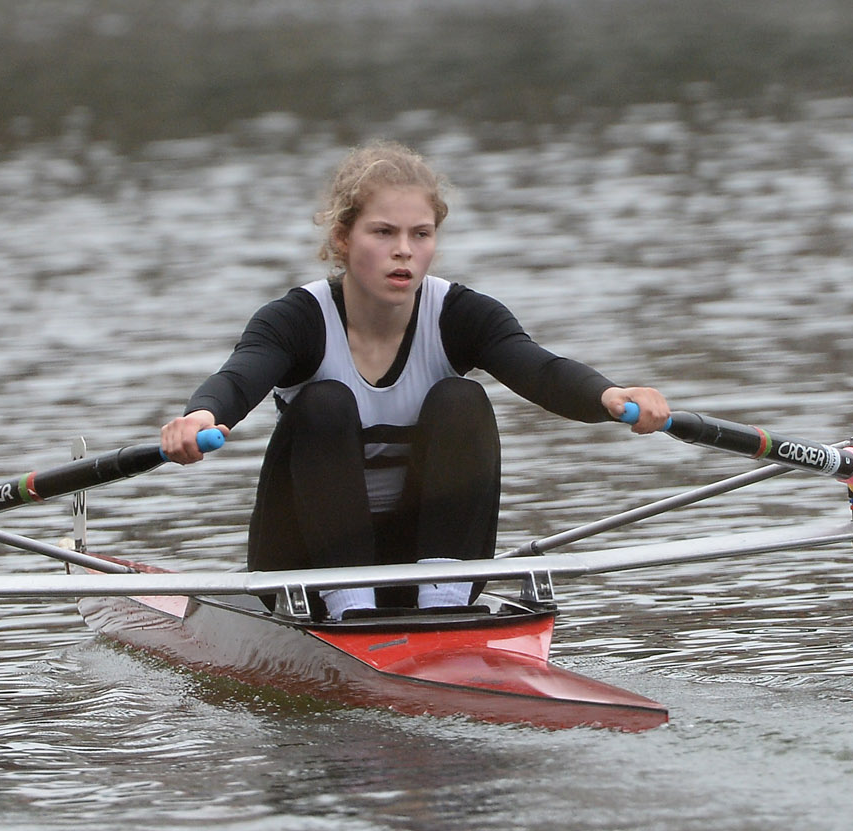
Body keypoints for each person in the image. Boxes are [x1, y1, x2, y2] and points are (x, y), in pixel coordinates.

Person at [160, 142, 671, 620]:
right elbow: (238, 378)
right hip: (304, 567)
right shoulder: (296, 320)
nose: (403, 250)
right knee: (325, 403)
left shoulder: (460, 314)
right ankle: (351, 607)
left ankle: (442, 606)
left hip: (422, 561)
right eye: (383, 232)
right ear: (343, 237)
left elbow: (539, 368)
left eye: (420, 234)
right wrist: (201, 416)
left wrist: (610, 394)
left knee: (462, 398)